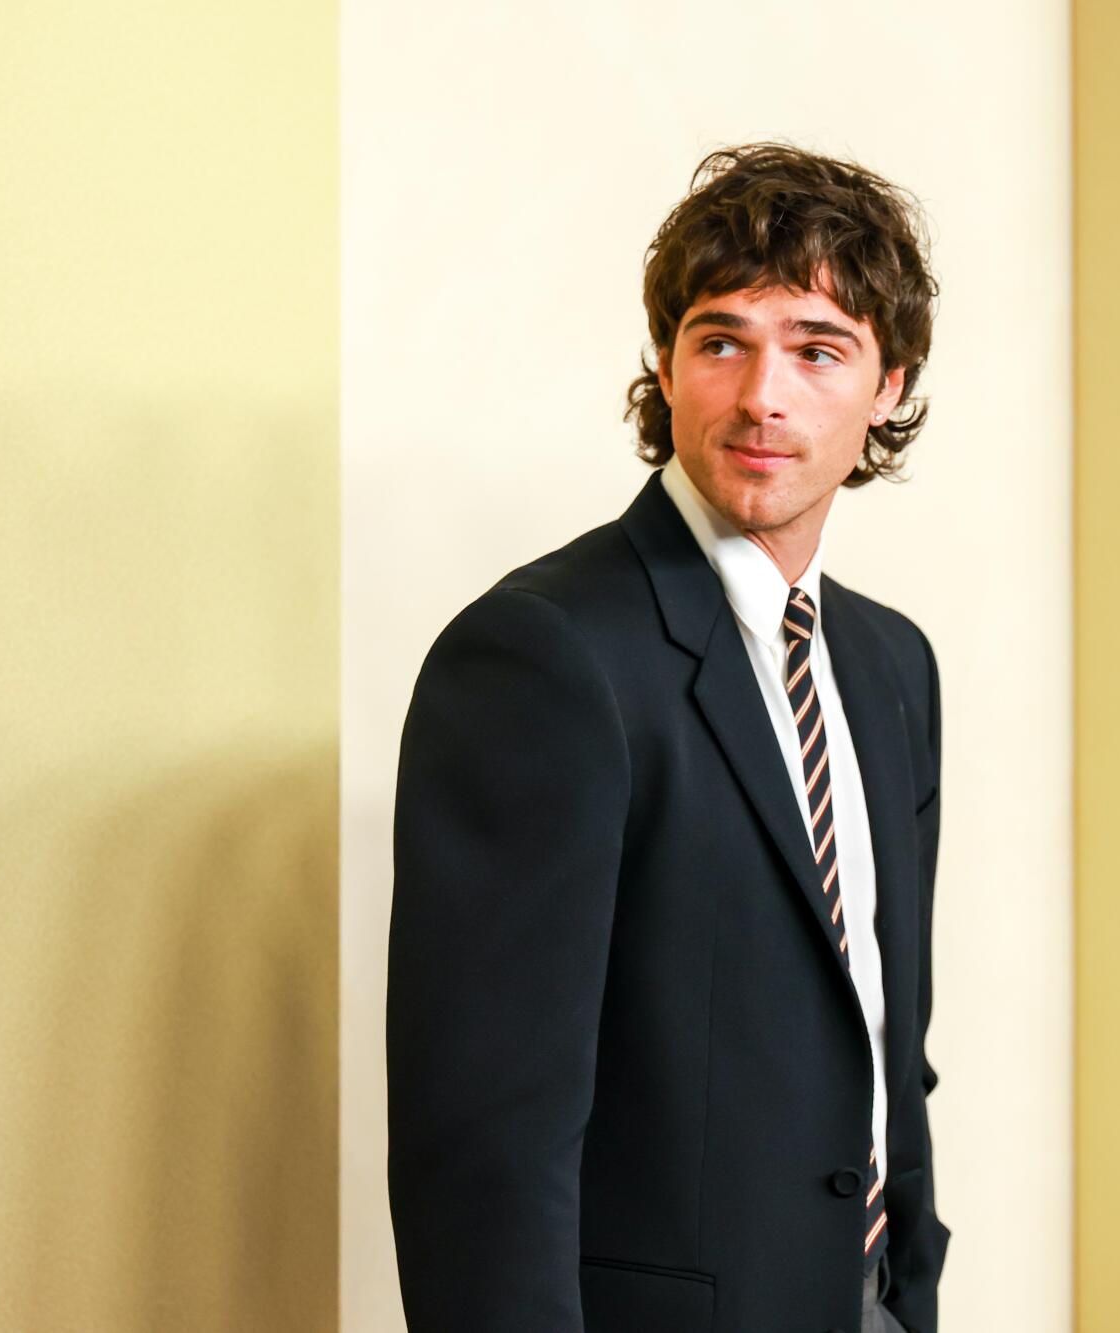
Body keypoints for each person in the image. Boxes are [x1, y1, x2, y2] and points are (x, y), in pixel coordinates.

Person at [387, 141, 949, 1333]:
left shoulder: (892, 666)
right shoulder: (541, 656)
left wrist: (910, 1288)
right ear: (665, 361)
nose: (761, 395)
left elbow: (884, 1029)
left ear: (887, 384)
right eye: (720, 340)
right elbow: (484, 1138)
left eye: (816, 347)